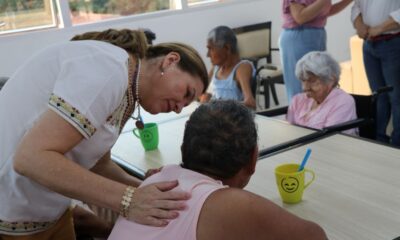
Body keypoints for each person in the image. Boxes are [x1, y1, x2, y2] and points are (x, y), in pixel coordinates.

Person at [0, 28, 209, 239]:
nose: (179, 108)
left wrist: (150, 190)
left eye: (187, 104)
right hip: (11, 213)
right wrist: (129, 199)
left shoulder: (127, 88)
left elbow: (99, 164)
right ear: (170, 61)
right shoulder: (108, 70)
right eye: (186, 93)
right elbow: (30, 159)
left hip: (49, 212)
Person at [108, 100, 327, 240]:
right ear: (253, 158)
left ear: (183, 149)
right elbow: (316, 236)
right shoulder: (233, 204)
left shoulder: (157, 179)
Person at [280, 0, 353, 103]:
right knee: (303, 86)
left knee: (320, 84)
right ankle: (300, 118)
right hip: (299, 36)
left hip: (316, 35)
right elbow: (300, 17)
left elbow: (324, 11)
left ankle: (319, 116)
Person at [351, 1, 400, 146]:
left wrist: (379, 28)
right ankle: (378, 141)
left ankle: (397, 145)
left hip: (393, 42)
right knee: (377, 96)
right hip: (369, 44)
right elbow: (356, 7)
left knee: (396, 98)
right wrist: (359, 26)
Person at [286, 51, 357, 134]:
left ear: (331, 79)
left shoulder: (343, 102)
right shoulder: (298, 100)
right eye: (303, 81)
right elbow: (287, 132)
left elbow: (330, 140)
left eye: (311, 81)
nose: (305, 88)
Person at [200, 26, 256, 109]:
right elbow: (202, 92)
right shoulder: (216, 68)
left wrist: (217, 105)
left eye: (211, 49)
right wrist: (204, 97)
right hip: (217, 117)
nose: (207, 55)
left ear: (227, 48)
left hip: (235, 120)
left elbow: (250, 103)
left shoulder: (241, 68)